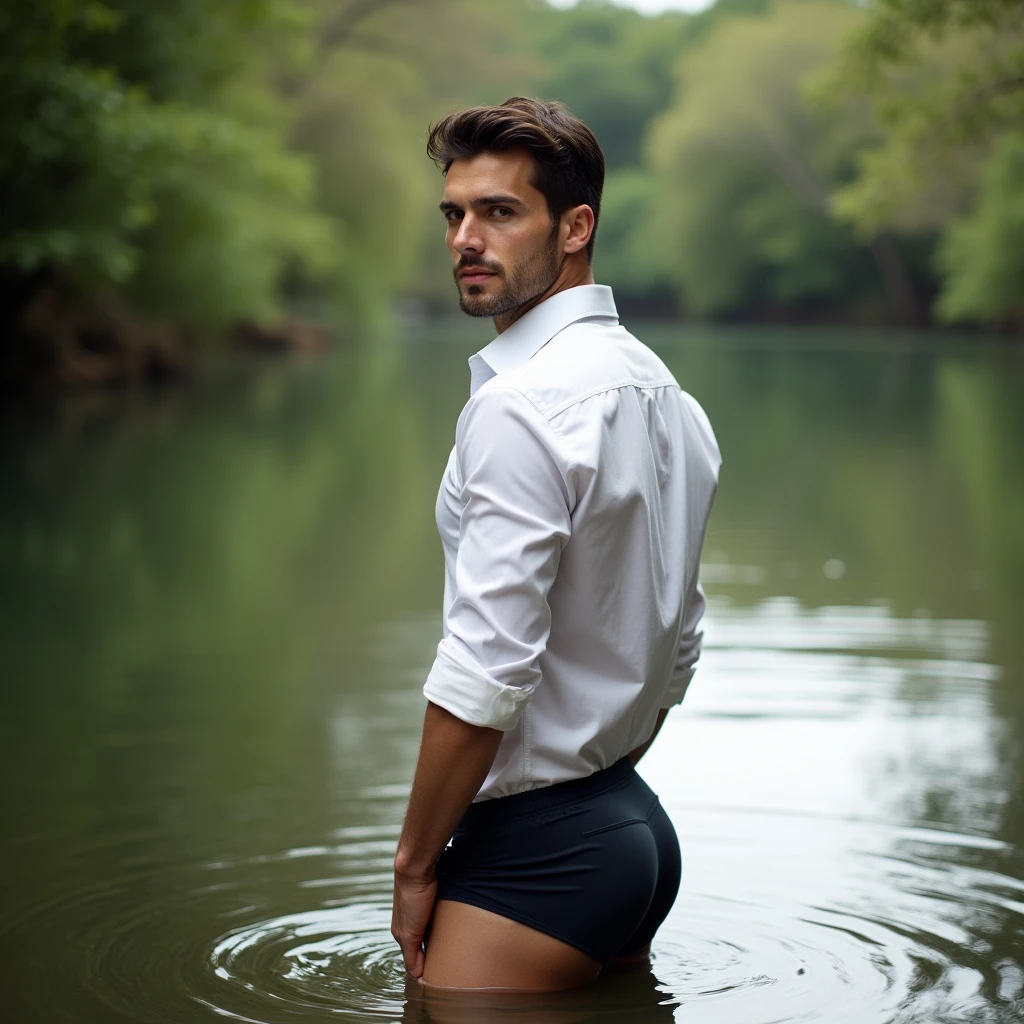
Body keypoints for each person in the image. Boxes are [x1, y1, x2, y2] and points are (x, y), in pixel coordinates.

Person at [391, 97, 721, 993]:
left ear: (576, 227)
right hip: (631, 823)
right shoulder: (667, 395)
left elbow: (486, 664)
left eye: (500, 212)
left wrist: (417, 865)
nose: (466, 237)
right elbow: (681, 639)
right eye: (454, 213)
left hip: (542, 857)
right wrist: (597, 786)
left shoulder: (517, 407)